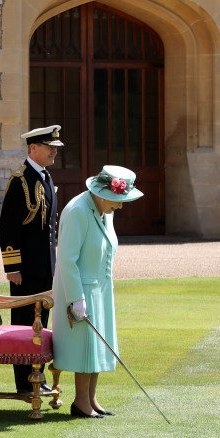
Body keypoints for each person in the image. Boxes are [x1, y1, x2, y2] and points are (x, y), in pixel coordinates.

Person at [51, 165, 143, 419]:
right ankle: (80, 402)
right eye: (117, 200)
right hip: (80, 291)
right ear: (102, 194)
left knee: (98, 347)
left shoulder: (104, 210)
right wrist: (75, 298)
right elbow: (67, 260)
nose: (120, 206)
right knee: (86, 348)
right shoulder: (77, 211)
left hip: (100, 289)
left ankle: (92, 398)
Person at [0, 124, 61, 393]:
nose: (53, 153)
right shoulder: (20, 180)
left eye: (55, 148)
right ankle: (25, 383)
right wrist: (12, 268)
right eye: (49, 148)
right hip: (25, 269)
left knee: (41, 325)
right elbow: (9, 227)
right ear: (33, 148)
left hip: (45, 266)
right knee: (24, 324)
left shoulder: (45, 177)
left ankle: (39, 378)